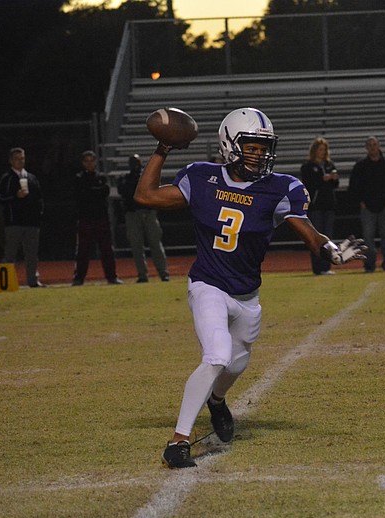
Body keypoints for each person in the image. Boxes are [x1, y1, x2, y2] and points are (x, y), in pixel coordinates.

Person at [134, 107, 366, 468]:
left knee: (236, 364)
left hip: (247, 297)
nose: (259, 154)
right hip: (208, 284)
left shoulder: (279, 187)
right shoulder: (202, 177)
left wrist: (331, 251)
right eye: (252, 146)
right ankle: (179, 440)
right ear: (229, 145)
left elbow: (307, 230)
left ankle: (216, 402)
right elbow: (145, 196)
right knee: (217, 355)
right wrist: (162, 148)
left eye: (263, 147)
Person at [348, 136, 385, 273]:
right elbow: (353, 186)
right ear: (367, 148)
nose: (373, 147)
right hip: (367, 207)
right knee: (368, 238)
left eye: (375, 144)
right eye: (370, 145)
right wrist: (360, 202)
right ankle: (369, 265)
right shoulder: (361, 165)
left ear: (379, 146)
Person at [72, 150, 123, 285]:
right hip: (86, 219)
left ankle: (111, 276)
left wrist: (91, 191)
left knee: (107, 249)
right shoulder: (79, 178)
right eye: (87, 161)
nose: (89, 164)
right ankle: (79, 277)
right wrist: (95, 191)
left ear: (95, 162)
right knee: (83, 251)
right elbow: (83, 195)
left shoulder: (101, 178)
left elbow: (102, 192)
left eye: (92, 160)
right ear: (83, 163)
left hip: (101, 219)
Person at [0, 147, 45, 288]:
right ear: (11, 161)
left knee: (32, 254)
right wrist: (15, 196)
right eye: (17, 158)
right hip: (14, 222)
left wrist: (39, 215)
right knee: (10, 252)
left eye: (22, 158)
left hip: (31, 222)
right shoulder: (7, 178)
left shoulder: (31, 177)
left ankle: (33, 280)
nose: (20, 161)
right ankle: (6, 282)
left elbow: (39, 198)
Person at [117, 154, 170, 283]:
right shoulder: (127, 178)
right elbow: (127, 192)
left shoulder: (145, 177)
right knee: (136, 245)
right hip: (133, 213)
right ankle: (142, 274)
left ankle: (163, 272)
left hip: (148, 212)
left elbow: (152, 191)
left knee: (155, 243)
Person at [300, 137, 339, 275]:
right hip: (316, 206)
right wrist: (321, 179)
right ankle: (317, 268)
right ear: (314, 151)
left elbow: (335, 185)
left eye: (324, 150)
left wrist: (334, 179)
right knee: (316, 237)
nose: (323, 152)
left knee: (328, 237)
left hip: (328, 205)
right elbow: (308, 184)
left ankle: (326, 266)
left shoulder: (329, 164)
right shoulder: (308, 166)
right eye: (320, 150)